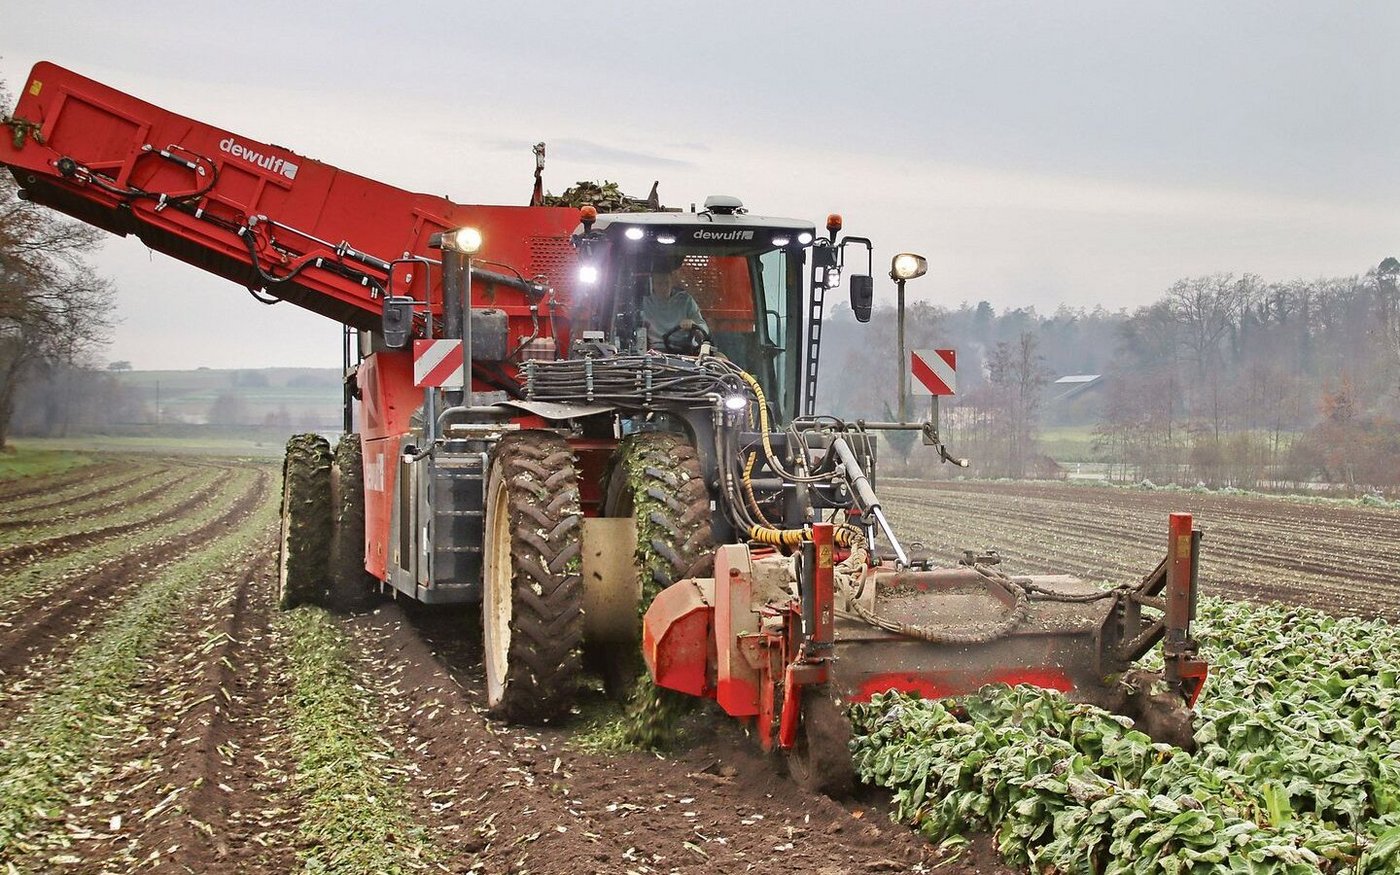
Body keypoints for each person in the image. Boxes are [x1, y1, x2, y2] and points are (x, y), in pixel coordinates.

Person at [641, 266, 709, 349]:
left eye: (667, 283)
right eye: (659, 284)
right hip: (656, 351)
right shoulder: (645, 303)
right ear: (652, 284)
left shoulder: (686, 300)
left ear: (672, 282)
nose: (664, 287)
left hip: (683, 350)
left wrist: (693, 324)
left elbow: (704, 328)